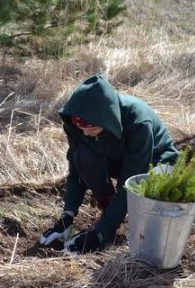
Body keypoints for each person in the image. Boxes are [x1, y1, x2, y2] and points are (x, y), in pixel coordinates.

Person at [40, 74, 179, 254]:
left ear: (106, 119)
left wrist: (100, 233)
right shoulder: (76, 124)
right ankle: (110, 207)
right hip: (116, 155)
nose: (86, 134)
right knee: (83, 157)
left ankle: (115, 220)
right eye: (82, 129)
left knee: (149, 205)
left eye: (92, 129)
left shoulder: (138, 122)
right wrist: (67, 216)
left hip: (154, 161)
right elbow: (76, 170)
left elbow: (130, 183)